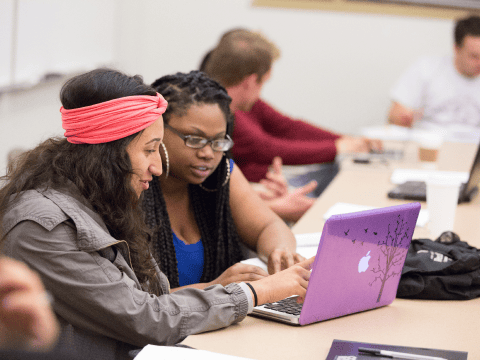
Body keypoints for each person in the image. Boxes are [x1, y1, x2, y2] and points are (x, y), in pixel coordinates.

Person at [0, 68, 314, 360]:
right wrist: (260, 291)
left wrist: (232, 289)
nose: (158, 167)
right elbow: (145, 318)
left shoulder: (103, 196)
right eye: (150, 149)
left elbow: (153, 298)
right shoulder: (43, 226)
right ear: (109, 151)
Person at [143, 70, 306, 290]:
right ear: (158, 129)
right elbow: (137, 304)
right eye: (195, 139)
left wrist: (280, 252)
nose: (208, 153)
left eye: (218, 141)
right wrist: (215, 288)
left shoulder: (221, 172)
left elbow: (268, 225)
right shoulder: (134, 184)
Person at [201, 28, 382, 195]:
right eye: (264, 82)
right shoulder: (219, 114)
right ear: (250, 81)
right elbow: (266, 148)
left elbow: (288, 127)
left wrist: (345, 141)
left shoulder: (240, 104)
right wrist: (336, 148)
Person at [388, 15, 480, 136]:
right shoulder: (426, 69)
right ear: (456, 49)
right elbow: (395, 115)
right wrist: (403, 118)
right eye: (474, 56)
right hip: (431, 146)